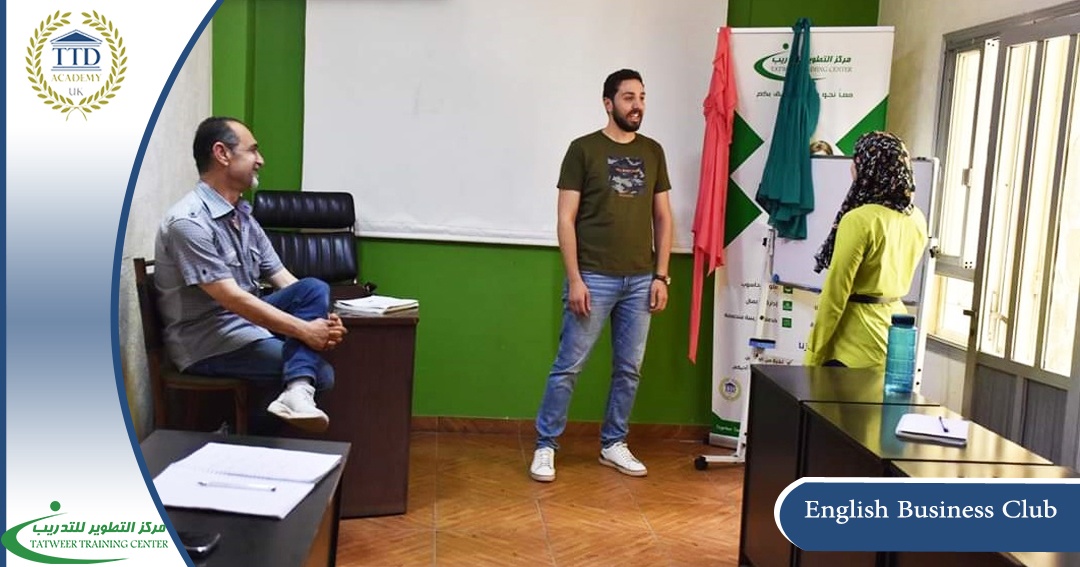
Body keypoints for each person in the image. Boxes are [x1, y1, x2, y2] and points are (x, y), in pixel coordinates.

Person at [154, 116, 347, 433]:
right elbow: (231, 299)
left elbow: (284, 279)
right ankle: (238, 434)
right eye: (253, 150)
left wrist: (323, 320)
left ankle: (296, 390)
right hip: (208, 343)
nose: (261, 160)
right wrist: (304, 330)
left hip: (246, 327)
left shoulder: (243, 215)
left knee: (313, 288)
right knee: (321, 375)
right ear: (222, 153)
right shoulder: (188, 222)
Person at [529, 69, 674, 482]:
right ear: (608, 103)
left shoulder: (653, 151)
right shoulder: (583, 149)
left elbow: (663, 218)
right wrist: (575, 278)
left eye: (642, 97)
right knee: (568, 367)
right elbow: (565, 218)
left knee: (629, 369)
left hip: (640, 280)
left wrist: (661, 276)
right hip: (593, 277)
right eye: (628, 97)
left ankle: (614, 443)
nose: (637, 105)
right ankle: (545, 445)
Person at [804, 131, 928, 368]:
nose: (852, 166)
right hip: (893, 342)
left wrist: (813, 355)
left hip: (852, 347)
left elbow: (835, 295)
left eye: (857, 160)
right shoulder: (917, 219)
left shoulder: (859, 220)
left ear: (870, 167)